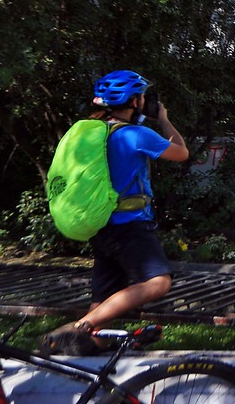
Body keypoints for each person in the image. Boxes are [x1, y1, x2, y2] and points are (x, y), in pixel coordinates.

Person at [39, 70, 190, 355]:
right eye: (142, 96)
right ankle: (78, 327)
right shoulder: (135, 134)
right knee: (158, 282)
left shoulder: (92, 132)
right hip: (130, 227)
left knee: (104, 300)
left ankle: (87, 344)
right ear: (135, 101)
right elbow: (181, 153)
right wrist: (164, 119)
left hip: (101, 224)